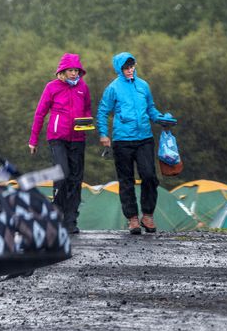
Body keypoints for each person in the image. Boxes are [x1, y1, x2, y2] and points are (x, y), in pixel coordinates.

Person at [96, 52, 170, 235]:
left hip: (144, 137)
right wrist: (104, 134)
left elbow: (151, 109)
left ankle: (147, 215)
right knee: (126, 180)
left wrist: (161, 119)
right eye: (126, 68)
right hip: (122, 140)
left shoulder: (143, 85)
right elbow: (102, 111)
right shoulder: (113, 88)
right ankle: (132, 219)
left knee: (150, 176)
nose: (130, 70)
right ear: (119, 69)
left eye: (132, 66)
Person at [28, 53, 92, 234]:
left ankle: (71, 220)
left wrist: (86, 120)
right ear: (62, 71)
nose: (74, 74)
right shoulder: (52, 87)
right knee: (62, 174)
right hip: (57, 138)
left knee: (75, 179)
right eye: (70, 70)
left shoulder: (83, 87)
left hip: (78, 138)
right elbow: (40, 114)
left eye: (76, 70)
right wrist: (33, 140)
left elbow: (87, 108)